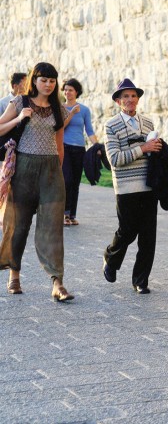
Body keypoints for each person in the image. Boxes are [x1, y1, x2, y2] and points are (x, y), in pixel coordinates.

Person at [0, 62, 74, 301]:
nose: (49, 85)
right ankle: (14, 275)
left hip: (51, 170)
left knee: (53, 226)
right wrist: (19, 118)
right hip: (24, 169)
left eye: (52, 81)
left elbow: (60, 144)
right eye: (44, 80)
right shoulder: (19, 102)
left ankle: (57, 283)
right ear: (35, 80)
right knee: (18, 225)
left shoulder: (59, 110)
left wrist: (59, 172)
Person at [102, 78, 162, 294]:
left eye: (133, 96)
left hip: (148, 186)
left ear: (138, 99)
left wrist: (156, 148)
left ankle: (141, 280)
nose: (130, 99)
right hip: (126, 188)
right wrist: (143, 149)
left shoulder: (148, 124)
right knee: (127, 232)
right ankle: (111, 257)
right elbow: (115, 159)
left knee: (148, 237)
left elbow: (152, 152)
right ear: (118, 101)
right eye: (125, 96)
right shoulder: (111, 125)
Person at [62, 78, 98, 226]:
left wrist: (97, 146)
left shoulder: (84, 110)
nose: (67, 92)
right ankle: (64, 214)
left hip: (79, 149)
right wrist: (70, 114)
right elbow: (59, 128)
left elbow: (89, 130)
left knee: (75, 182)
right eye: (65, 89)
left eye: (70, 89)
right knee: (67, 180)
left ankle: (72, 215)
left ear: (76, 92)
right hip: (64, 147)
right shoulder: (60, 107)